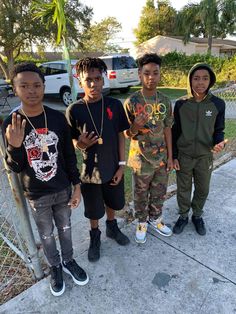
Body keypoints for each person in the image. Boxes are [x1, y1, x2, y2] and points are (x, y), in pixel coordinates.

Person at [3, 62, 89, 297]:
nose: (31, 90)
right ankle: (55, 267)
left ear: (43, 86)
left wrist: (77, 186)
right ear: (15, 89)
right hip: (36, 193)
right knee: (47, 235)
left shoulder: (58, 118)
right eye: (24, 86)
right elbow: (14, 166)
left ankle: (69, 261)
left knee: (65, 227)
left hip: (62, 188)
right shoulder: (12, 123)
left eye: (37, 85)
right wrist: (15, 146)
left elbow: (69, 156)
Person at [66, 57, 130, 262]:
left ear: (103, 79)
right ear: (80, 81)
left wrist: (121, 165)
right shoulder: (74, 110)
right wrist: (81, 145)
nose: (93, 84)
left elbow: (121, 135)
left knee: (113, 201)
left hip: (112, 165)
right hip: (89, 171)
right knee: (93, 208)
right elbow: (72, 141)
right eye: (88, 80)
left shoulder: (114, 104)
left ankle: (112, 227)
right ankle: (95, 236)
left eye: (97, 78)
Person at [124, 53, 173, 244]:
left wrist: (170, 156)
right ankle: (142, 221)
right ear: (139, 74)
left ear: (160, 75)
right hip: (140, 159)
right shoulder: (132, 102)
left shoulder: (166, 101)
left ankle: (155, 219)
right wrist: (135, 126)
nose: (151, 77)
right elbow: (127, 134)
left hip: (161, 157)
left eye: (155, 73)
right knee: (140, 193)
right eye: (146, 73)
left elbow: (168, 128)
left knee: (159, 191)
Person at [172, 63, 226, 236]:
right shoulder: (181, 104)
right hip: (184, 156)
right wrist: (174, 156)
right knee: (183, 189)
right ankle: (183, 216)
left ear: (210, 81)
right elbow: (175, 131)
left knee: (203, 189)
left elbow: (219, 130)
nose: (200, 82)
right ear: (190, 80)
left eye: (205, 78)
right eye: (196, 78)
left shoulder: (218, 104)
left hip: (204, 156)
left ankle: (197, 215)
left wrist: (219, 143)